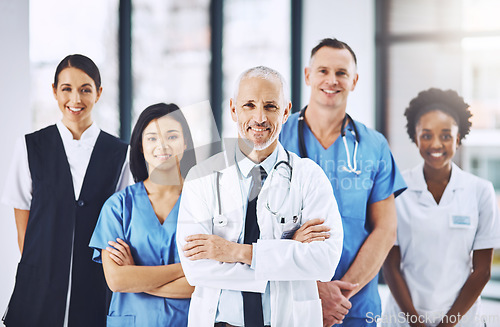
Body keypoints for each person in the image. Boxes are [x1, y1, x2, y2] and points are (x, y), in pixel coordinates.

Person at [176, 65, 344, 327]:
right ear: (233, 109)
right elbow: (195, 269)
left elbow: (324, 261)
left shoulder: (309, 176)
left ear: (286, 111)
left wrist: (237, 252)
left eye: (270, 106)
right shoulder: (202, 175)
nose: (260, 117)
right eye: (249, 105)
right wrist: (287, 253)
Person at [279, 38, 407, 327]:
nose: (331, 80)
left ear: (355, 80)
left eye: (341, 73)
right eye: (323, 71)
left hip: (355, 305)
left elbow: (385, 230)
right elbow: (259, 228)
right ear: (308, 75)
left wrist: (339, 295)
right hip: (291, 299)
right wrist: (314, 290)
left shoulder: (374, 146)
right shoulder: (277, 141)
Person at [1, 54, 131, 326]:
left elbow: (121, 222)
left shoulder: (120, 153)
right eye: (66, 89)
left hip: (96, 284)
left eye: (85, 89)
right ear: (54, 91)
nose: (76, 99)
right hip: (38, 284)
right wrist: (41, 271)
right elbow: (23, 224)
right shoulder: (30, 147)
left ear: (98, 93)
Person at [382, 88, 500, 327]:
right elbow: (390, 266)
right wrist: (416, 322)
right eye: (426, 135)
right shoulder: (395, 190)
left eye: (446, 136)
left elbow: (482, 270)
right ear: (415, 137)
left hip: (461, 319)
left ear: (458, 138)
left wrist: (448, 324)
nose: (436, 143)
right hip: (404, 319)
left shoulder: (480, 191)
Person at [89, 103, 196, 326]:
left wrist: (136, 276)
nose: (162, 146)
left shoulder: (204, 203)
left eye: (172, 136)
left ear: (185, 143)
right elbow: (118, 280)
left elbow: (203, 284)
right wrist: (185, 269)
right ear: (140, 145)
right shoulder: (118, 206)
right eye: (152, 138)